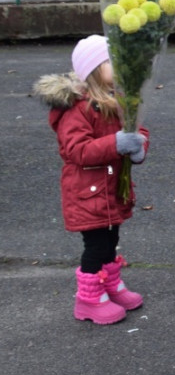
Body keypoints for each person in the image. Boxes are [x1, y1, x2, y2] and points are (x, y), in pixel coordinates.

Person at [33, 34, 149, 325]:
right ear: (93, 69)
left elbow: (136, 129)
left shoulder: (117, 98)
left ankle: (109, 284)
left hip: (110, 187)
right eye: (112, 61)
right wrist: (117, 143)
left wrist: (138, 145)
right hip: (88, 192)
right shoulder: (78, 108)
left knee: (111, 241)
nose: (120, 66)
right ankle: (88, 299)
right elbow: (77, 151)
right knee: (96, 247)